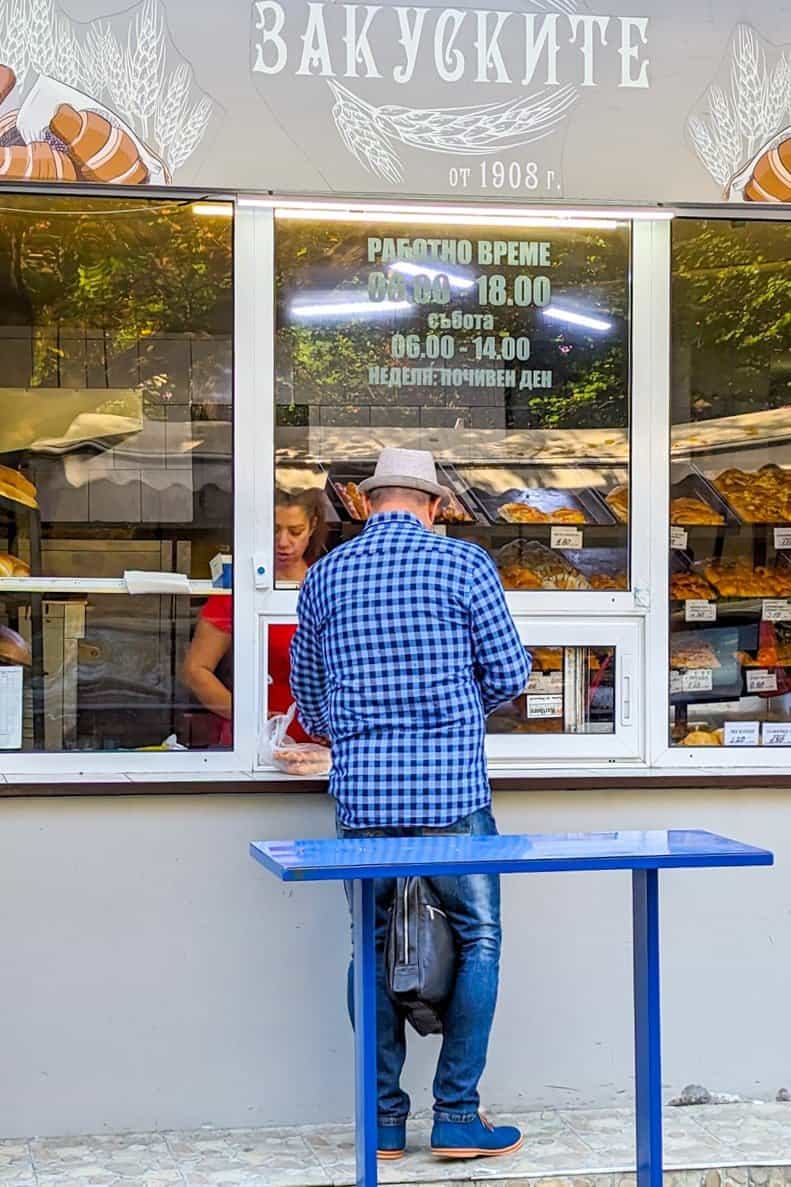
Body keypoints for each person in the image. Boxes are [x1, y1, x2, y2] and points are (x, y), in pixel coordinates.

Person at [290, 447, 531, 1162]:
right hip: (452, 793)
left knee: (368, 945)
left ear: (367, 503)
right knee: (478, 939)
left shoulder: (327, 573)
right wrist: (455, 713)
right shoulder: (465, 565)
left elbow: (309, 694)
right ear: (434, 506)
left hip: (363, 796)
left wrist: (352, 730)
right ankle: (456, 1114)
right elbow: (510, 672)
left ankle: (383, 1122)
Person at [182, 488, 326, 745]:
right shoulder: (240, 586)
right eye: (274, 530)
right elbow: (196, 670)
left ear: (313, 526)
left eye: (295, 531)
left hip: (323, 741)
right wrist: (250, 715)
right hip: (254, 741)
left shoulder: (329, 581)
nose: (283, 542)